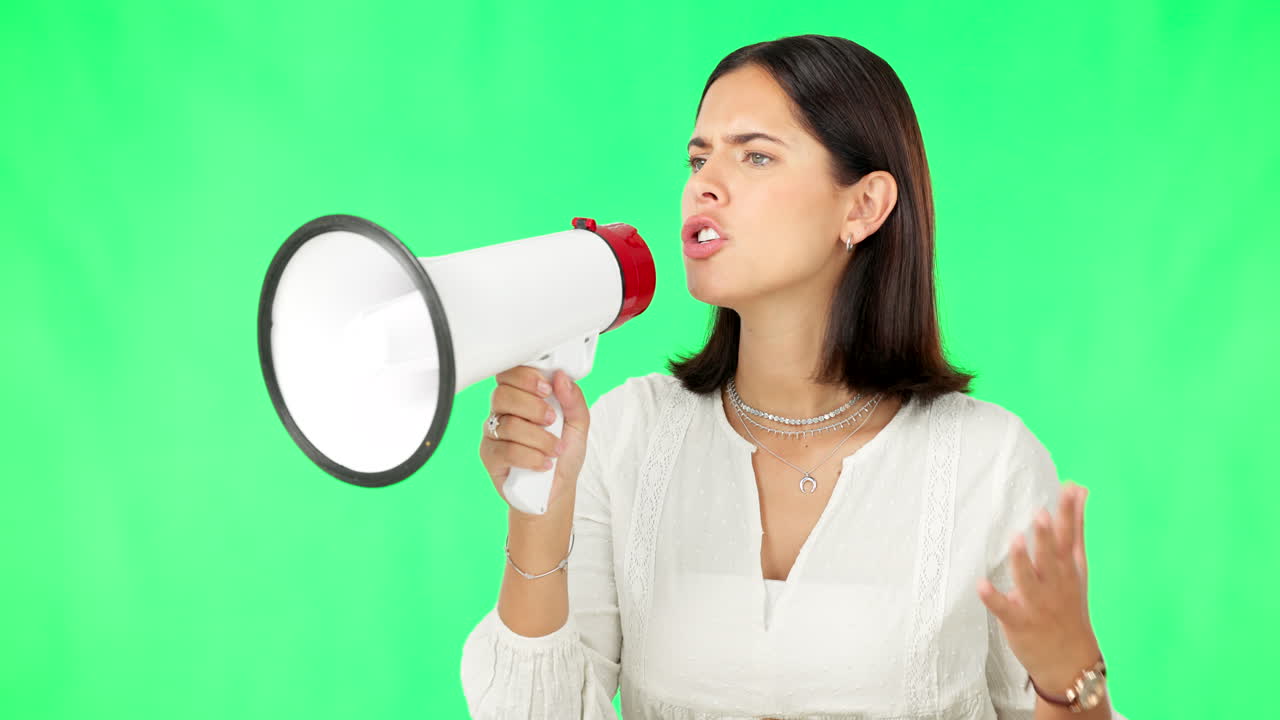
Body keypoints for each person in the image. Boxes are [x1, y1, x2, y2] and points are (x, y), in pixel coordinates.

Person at [461, 34, 1129, 720]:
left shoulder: (989, 466)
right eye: (698, 157)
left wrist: (1067, 676)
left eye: (754, 155)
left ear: (863, 206)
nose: (704, 184)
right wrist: (537, 509)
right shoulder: (629, 434)